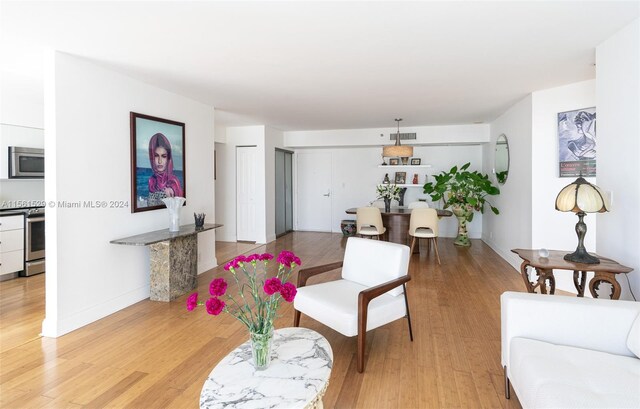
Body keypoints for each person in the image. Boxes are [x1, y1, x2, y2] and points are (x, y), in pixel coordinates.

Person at [148, 133, 183, 201]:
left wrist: (173, 190)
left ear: (168, 159)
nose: (160, 161)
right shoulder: (152, 181)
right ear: (152, 157)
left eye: (164, 156)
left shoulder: (173, 182)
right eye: (156, 156)